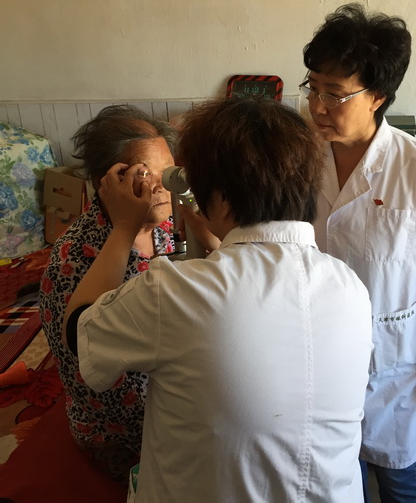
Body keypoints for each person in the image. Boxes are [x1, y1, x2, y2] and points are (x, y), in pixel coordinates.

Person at [62, 97, 372, 503]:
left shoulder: (174, 291)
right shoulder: (350, 287)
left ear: (220, 196)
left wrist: (123, 227)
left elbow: (79, 330)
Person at [301, 3, 416, 503]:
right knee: (340, 481)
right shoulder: (300, 159)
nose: (318, 106)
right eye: (312, 88)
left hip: (395, 364)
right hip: (319, 356)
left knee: (399, 477)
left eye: (334, 93)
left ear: (378, 96)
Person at [39, 104, 177, 482]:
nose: (162, 186)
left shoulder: (165, 229)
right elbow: (101, 387)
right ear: (109, 181)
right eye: (145, 174)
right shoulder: (73, 262)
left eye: (168, 171)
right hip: (120, 430)